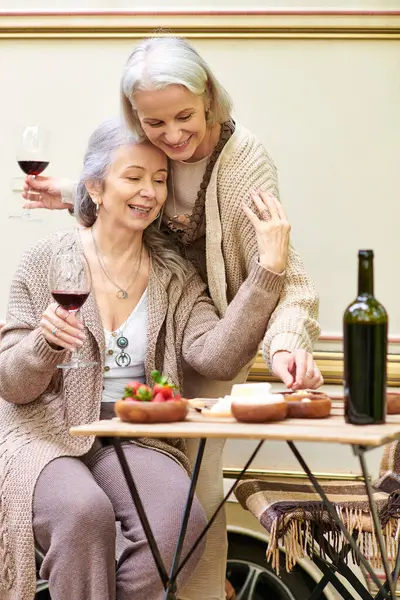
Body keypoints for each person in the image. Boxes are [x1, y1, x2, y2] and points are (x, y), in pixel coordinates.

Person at [22, 36, 322, 599]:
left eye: (184, 116)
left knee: (193, 507)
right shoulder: (63, 250)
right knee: (97, 512)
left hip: (213, 329)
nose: (173, 135)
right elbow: (123, 187)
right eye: (154, 122)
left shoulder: (242, 165)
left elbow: (287, 274)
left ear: (209, 97)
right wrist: (72, 192)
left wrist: (283, 345)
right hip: (137, 353)